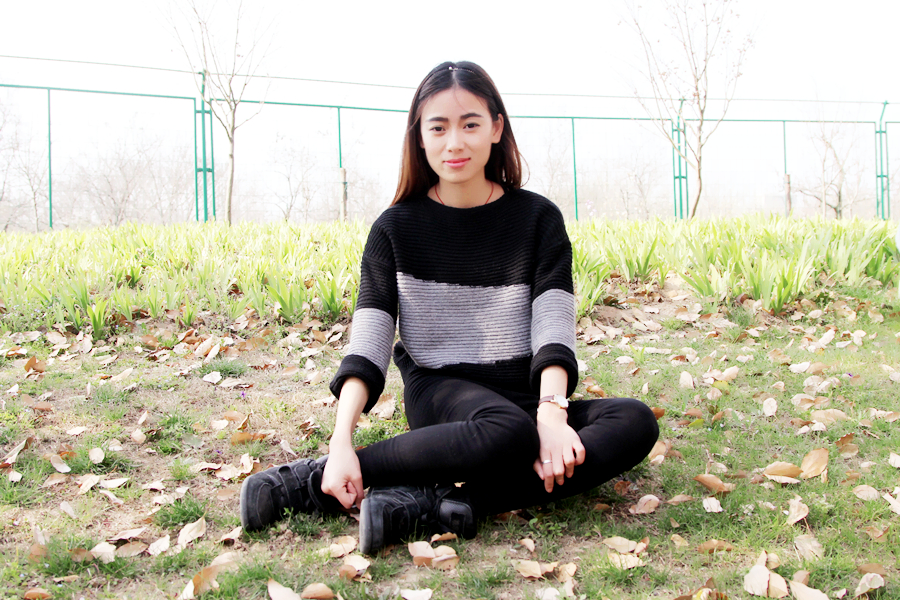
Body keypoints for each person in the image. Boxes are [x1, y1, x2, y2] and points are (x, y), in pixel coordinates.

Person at [240, 61, 659, 555]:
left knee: (633, 421)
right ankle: (316, 480)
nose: (454, 142)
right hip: (441, 392)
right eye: (438, 128)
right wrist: (340, 444)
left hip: (524, 395)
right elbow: (369, 346)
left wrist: (551, 413)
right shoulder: (394, 229)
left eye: (470, 124)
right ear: (419, 137)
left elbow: (553, 328)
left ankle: (444, 504)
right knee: (510, 433)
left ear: (496, 128)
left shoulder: (538, 219)